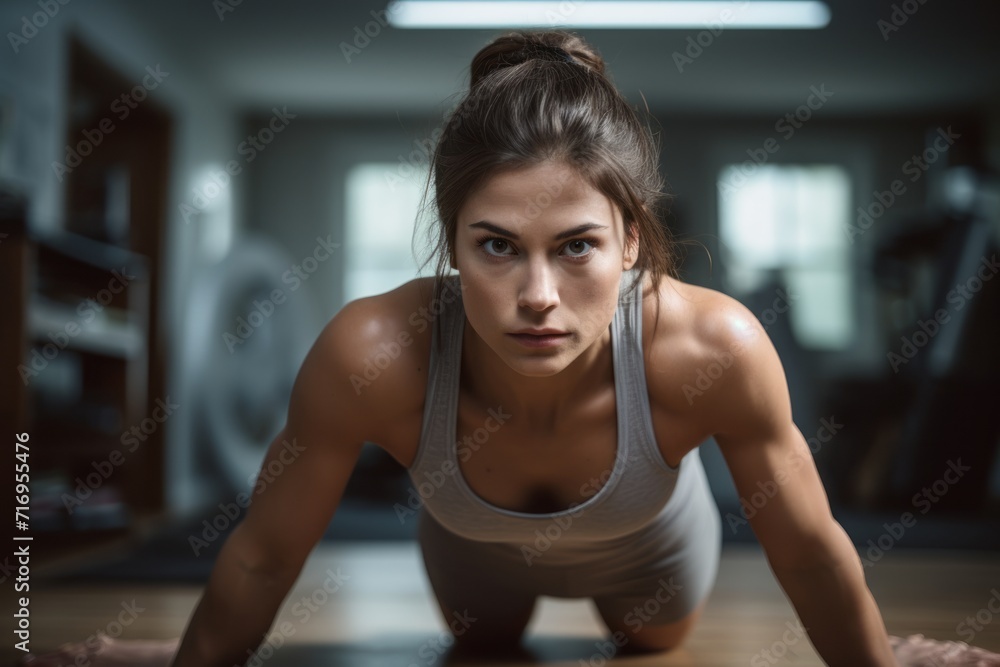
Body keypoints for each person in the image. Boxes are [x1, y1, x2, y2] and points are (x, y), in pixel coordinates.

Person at [22, 29, 996, 667]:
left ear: (630, 242)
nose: (536, 296)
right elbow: (263, 556)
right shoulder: (372, 350)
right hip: (471, 557)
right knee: (482, 648)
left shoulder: (712, 345)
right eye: (496, 246)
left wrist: (878, 662)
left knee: (649, 644)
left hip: (651, 562)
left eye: (575, 246)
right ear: (451, 242)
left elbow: (814, 551)